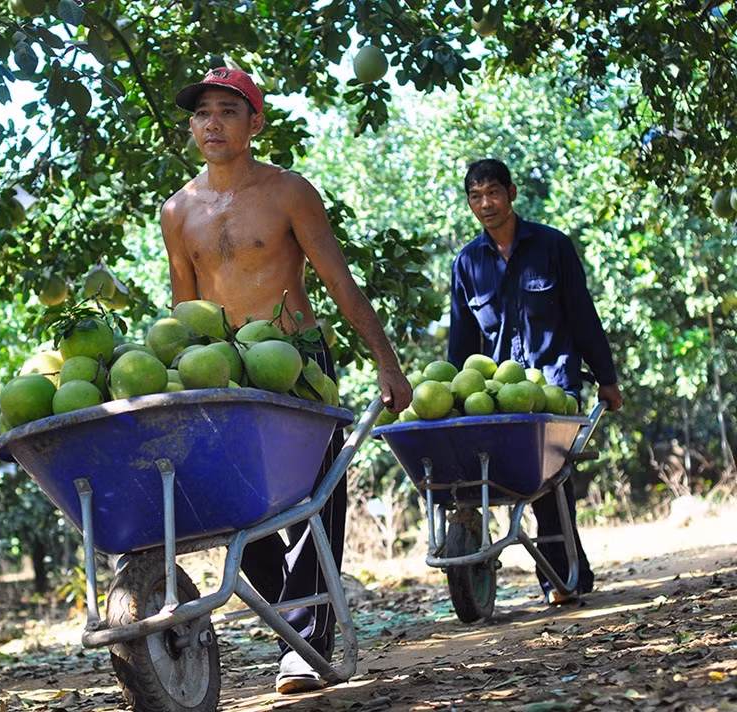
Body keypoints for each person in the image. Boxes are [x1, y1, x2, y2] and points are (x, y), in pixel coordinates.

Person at [162, 66, 412, 694]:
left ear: (254, 123)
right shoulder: (177, 211)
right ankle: (296, 627)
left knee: (312, 502)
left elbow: (339, 282)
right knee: (248, 512)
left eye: (227, 110)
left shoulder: (288, 192)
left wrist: (386, 360)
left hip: (297, 362)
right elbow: (184, 316)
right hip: (226, 375)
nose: (212, 123)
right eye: (202, 113)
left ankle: (303, 642)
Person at [447, 157, 624, 605]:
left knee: (550, 482)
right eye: (476, 196)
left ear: (511, 193)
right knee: (506, 479)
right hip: (498, 395)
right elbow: (462, 341)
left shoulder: (552, 247)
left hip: (555, 385)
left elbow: (583, 315)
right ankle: (566, 575)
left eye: (493, 193)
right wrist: (451, 400)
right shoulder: (467, 264)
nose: (485, 204)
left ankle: (561, 579)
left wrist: (607, 377)